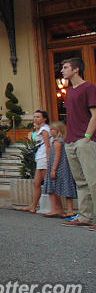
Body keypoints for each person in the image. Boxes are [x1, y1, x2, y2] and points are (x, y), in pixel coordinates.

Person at [58, 58, 96, 229]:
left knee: (93, 180)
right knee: (81, 182)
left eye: (65, 68)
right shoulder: (69, 91)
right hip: (70, 141)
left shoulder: (89, 87)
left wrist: (87, 136)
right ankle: (85, 216)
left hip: (84, 141)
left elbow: (95, 114)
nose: (62, 71)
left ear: (76, 69)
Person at [42, 121, 77, 218]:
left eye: (53, 129)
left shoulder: (57, 142)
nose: (51, 131)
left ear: (58, 130)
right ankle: (67, 210)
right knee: (66, 187)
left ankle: (56, 209)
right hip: (62, 167)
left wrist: (53, 169)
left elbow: (57, 156)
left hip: (58, 167)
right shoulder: (61, 141)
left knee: (53, 188)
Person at [19, 110, 52, 214]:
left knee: (47, 182)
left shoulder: (45, 129)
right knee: (36, 183)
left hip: (43, 158)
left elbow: (48, 145)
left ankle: (53, 207)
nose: (35, 119)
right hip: (39, 157)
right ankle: (33, 205)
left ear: (44, 118)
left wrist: (48, 159)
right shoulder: (41, 129)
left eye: (38, 117)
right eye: (34, 117)